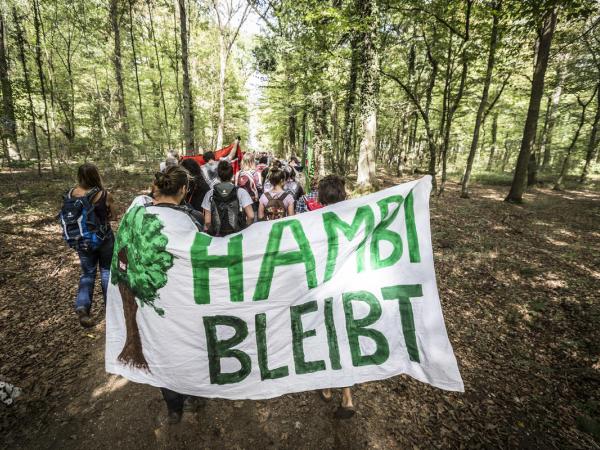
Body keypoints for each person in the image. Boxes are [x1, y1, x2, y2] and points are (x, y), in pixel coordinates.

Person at [149, 166, 205, 424]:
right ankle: (193, 396)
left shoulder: (139, 216)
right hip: (183, 297)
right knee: (187, 344)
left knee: (161, 348)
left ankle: (173, 405)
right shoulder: (190, 220)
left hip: (152, 299)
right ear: (184, 189)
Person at [314, 175, 354, 419]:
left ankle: (328, 387)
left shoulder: (315, 222)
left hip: (324, 288)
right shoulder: (353, 218)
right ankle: (347, 396)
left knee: (326, 336)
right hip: (347, 287)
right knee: (343, 337)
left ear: (320, 197)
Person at [66, 163, 115, 328]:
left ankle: (82, 307)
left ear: (79, 176)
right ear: (96, 175)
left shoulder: (71, 194)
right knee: (107, 271)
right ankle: (112, 310)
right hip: (104, 239)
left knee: (87, 273)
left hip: (82, 241)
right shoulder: (104, 194)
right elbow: (113, 216)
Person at [202, 159, 254, 236]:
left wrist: (213, 233)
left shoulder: (210, 193)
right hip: (237, 235)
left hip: (217, 237)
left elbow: (207, 222)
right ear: (232, 175)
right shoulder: (241, 192)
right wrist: (244, 230)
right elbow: (251, 216)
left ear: (218, 175)